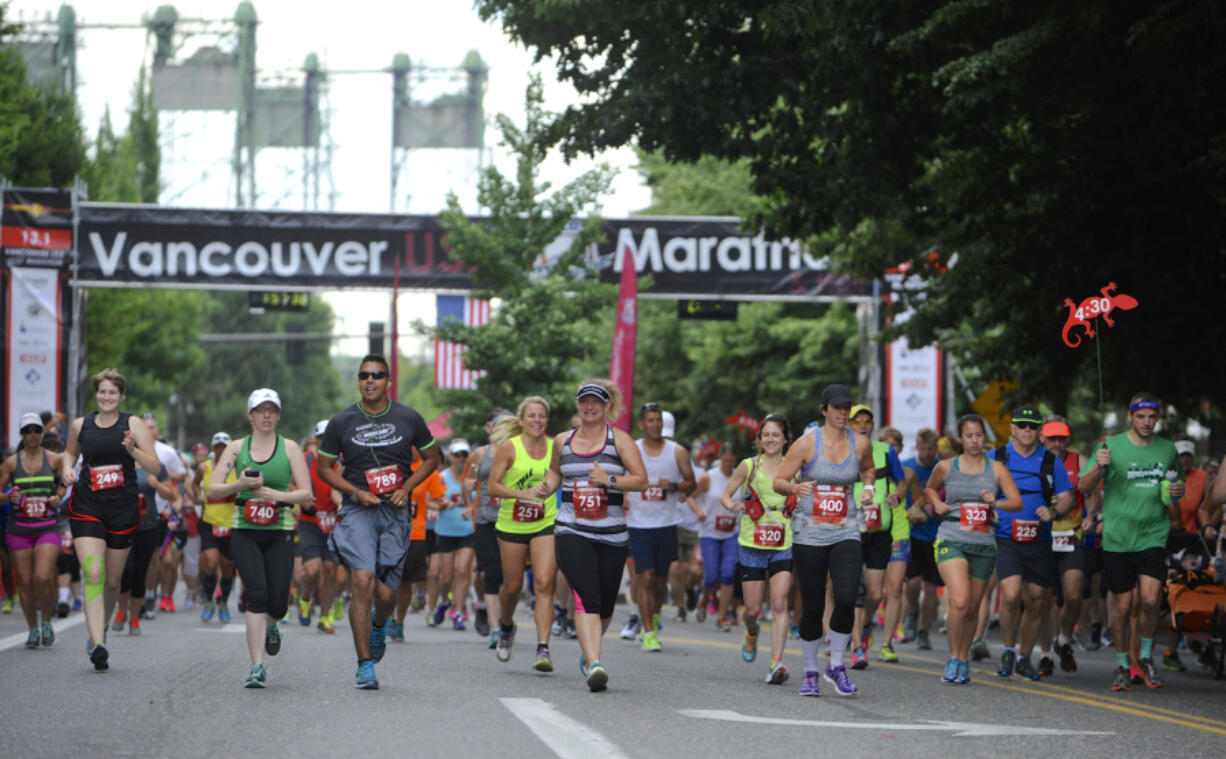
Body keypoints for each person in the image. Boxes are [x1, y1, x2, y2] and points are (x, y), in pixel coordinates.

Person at [316, 354, 440, 690]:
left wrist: (407, 488)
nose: (370, 380)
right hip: (359, 510)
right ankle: (364, 664)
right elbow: (324, 468)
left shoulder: (408, 417)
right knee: (362, 580)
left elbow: (433, 458)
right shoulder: (341, 421)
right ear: (358, 381)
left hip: (394, 511)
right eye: (364, 375)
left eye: (377, 375)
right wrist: (355, 491)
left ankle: (380, 624)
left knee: (386, 594)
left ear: (388, 381)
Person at [774, 386, 878, 697]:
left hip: (846, 530)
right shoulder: (806, 444)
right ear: (824, 410)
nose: (843, 413)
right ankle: (809, 671)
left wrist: (869, 486)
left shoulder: (859, 443)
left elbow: (869, 468)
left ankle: (835, 664)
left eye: (847, 407)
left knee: (847, 597)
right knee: (813, 604)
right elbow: (779, 481)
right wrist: (794, 489)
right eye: (837, 407)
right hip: (810, 533)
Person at [546, 379, 648, 691]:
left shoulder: (621, 441)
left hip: (612, 533)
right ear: (578, 405)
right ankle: (595, 662)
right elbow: (554, 472)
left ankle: (591, 651)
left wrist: (610, 479)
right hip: (571, 528)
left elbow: (642, 481)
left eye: (596, 402)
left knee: (604, 605)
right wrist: (544, 488)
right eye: (584, 401)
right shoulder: (563, 440)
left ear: (606, 407)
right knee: (587, 596)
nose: (589, 406)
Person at [1078, 392, 1184, 691]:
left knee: (1151, 600)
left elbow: (1178, 484)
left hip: (1153, 533)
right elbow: (1083, 486)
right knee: (1123, 607)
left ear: (1158, 418)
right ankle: (1123, 665)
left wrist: (1175, 491)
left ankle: (1146, 658)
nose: (1146, 422)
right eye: (1140, 417)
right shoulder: (1111, 445)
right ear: (1130, 417)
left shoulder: (1167, 449)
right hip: (1118, 537)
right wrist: (1098, 465)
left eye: (1152, 417)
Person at [208, 388, 312, 687]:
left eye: (272, 410)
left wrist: (276, 495)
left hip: (279, 530)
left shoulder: (290, 448)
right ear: (250, 415)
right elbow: (213, 489)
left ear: (278, 415)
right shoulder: (236, 448)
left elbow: (306, 493)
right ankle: (256, 666)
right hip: (245, 529)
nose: (267, 415)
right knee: (257, 595)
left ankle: (272, 626)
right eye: (261, 410)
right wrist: (239, 484)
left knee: (278, 604)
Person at [61, 368, 162, 671]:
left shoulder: (133, 424)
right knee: (93, 571)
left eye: (112, 392)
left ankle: (100, 628)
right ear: (96, 394)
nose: (106, 397)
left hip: (122, 509)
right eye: (102, 391)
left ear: (121, 396)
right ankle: (98, 645)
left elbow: (155, 466)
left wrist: (133, 450)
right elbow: (69, 453)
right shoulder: (81, 425)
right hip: (88, 506)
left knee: (113, 580)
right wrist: (67, 469)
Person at [925, 413, 1022, 684]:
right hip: (951, 536)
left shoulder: (996, 469)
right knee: (960, 601)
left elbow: (1016, 501)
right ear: (960, 438)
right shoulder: (946, 466)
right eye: (969, 436)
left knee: (972, 608)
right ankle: (953, 658)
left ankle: (964, 657)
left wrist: (995, 504)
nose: (975, 440)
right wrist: (938, 504)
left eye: (979, 435)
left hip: (983, 543)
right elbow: (930, 489)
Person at [987, 405, 1074, 681]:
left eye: (1033, 426)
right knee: (1011, 595)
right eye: (1022, 425)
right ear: (1012, 428)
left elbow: (1067, 496)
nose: (1027, 430)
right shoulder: (997, 456)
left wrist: (1055, 511)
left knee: (1037, 600)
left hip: (1040, 538)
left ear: (1039, 431)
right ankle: (1008, 650)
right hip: (1006, 537)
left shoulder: (1050, 461)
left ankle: (1025, 657)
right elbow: (976, 484)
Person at [721, 417, 796, 686]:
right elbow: (726, 494)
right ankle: (751, 632)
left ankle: (776, 662)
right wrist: (732, 505)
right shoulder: (749, 466)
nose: (771, 439)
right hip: (752, 543)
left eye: (776, 435)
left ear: (786, 438)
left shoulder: (794, 468)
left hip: (783, 543)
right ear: (760, 439)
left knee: (778, 604)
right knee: (752, 609)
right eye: (766, 435)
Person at [486, 396, 559, 670]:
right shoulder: (509, 448)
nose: (537, 421)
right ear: (521, 420)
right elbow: (492, 487)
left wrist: (546, 490)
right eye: (532, 416)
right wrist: (522, 494)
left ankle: (543, 649)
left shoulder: (555, 447)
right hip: (512, 524)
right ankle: (506, 627)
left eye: (542, 416)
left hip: (545, 521)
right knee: (512, 586)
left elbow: (559, 476)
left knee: (543, 583)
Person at [625, 402, 697, 651]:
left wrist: (674, 487)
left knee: (658, 582)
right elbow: (621, 478)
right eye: (651, 420)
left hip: (667, 524)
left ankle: (654, 618)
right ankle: (647, 631)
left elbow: (691, 483)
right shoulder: (631, 449)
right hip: (638, 523)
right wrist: (624, 493)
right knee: (644, 578)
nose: (656, 424)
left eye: (658, 420)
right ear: (642, 424)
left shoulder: (677, 452)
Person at [845, 405, 905, 667]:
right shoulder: (840, 450)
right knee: (855, 592)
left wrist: (897, 495)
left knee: (875, 594)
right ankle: (857, 646)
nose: (863, 424)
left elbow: (901, 482)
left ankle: (865, 624)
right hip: (849, 528)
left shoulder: (885, 451)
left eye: (867, 420)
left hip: (880, 529)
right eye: (857, 420)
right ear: (848, 423)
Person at [0, 413, 67, 648]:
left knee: (42, 576)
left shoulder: (55, 459)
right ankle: (32, 628)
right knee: (26, 581)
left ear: (41, 433)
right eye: (28, 430)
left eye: (36, 430)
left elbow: (66, 480)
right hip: (18, 528)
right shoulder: (10, 463)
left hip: (47, 526)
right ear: (21, 434)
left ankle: (47, 621)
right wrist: (8, 496)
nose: (32, 435)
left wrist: (59, 496)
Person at [1039, 416, 1095, 674]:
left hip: (1071, 537)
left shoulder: (1079, 461)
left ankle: (1063, 639)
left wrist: (1091, 515)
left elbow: (1092, 491)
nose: (1056, 443)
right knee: (1043, 599)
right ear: (1042, 438)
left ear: (1068, 439)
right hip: (1041, 538)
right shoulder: (1035, 461)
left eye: (1061, 438)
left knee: (1073, 596)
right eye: (1051, 438)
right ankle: (1046, 655)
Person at [113, 456, 177, 636]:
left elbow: (169, 494)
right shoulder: (118, 463)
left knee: (140, 572)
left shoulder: (157, 466)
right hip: (123, 524)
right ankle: (121, 611)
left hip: (148, 526)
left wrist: (157, 485)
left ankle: (134, 618)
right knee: (126, 571)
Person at [467, 409, 514, 648]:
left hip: (512, 518)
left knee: (511, 577)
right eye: (499, 425)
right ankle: (496, 628)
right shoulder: (479, 454)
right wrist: (468, 505)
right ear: (492, 428)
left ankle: (506, 620)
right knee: (490, 574)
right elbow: (469, 482)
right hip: (485, 518)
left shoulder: (518, 451)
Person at [297, 420, 342, 635]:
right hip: (310, 522)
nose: (325, 441)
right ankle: (305, 597)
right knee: (313, 570)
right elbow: (288, 482)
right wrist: (301, 496)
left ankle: (325, 615)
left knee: (330, 571)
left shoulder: (341, 463)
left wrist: (343, 502)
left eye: (329, 437)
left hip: (333, 523)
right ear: (316, 439)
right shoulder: (305, 459)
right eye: (322, 437)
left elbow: (341, 487)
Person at [901, 428, 941, 650]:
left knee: (932, 588)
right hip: (912, 533)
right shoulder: (908, 467)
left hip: (936, 534)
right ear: (917, 447)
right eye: (923, 449)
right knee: (913, 582)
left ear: (936, 448)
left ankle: (924, 631)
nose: (926, 454)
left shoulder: (941, 468)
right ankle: (912, 613)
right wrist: (912, 512)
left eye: (930, 449)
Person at [692, 444, 739, 630]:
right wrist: (698, 511)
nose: (728, 464)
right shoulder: (708, 477)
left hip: (732, 534)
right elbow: (690, 496)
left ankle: (722, 617)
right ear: (720, 458)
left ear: (735, 460)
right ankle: (703, 600)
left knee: (728, 574)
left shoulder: (740, 477)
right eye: (725, 460)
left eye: (731, 460)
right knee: (711, 577)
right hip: (710, 533)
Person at [433, 441, 476, 630]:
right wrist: (442, 505)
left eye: (464, 455)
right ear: (450, 456)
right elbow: (429, 502)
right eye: (457, 454)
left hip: (467, 530)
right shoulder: (441, 477)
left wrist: (471, 509)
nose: (460, 458)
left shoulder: (472, 478)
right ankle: (444, 601)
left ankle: (458, 612)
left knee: (462, 570)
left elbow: (481, 500)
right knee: (447, 577)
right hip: (446, 530)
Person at [195, 433, 237, 623]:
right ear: (213, 449)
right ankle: (209, 601)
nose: (220, 450)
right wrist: (197, 496)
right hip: (209, 522)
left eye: (224, 447)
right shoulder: (205, 467)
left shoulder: (237, 468)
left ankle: (223, 602)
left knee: (227, 567)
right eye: (217, 447)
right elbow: (194, 484)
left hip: (231, 524)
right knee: (211, 563)